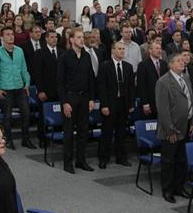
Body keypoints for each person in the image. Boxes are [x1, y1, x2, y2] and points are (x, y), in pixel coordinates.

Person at [155, 52, 193, 204]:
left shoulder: (185, 78)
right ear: (170, 65)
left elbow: (191, 100)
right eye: (178, 61)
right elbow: (163, 109)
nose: (182, 62)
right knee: (169, 161)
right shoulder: (163, 82)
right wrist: (170, 130)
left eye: (183, 60)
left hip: (186, 126)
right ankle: (167, 190)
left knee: (181, 159)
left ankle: (179, 187)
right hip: (171, 130)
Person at [57, 28, 96, 174]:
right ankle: (68, 163)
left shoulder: (86, 56)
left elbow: (91, 78)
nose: (82, 40)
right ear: (71, 39)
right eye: (78, 37)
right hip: (70, 98)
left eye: (82, 37)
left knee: (83, 131)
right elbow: (60, 82)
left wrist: (91, 98)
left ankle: (81, 161)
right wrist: (64, 102)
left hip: (84, 97)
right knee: (68, 132)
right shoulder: (64, 57)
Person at [0, 27, 34, 150]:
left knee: (26, 113)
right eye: (7, 34)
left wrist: (27, 84)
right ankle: (8, 140)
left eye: (12, 34)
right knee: (7, 116)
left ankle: (26, 139)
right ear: (2, 37)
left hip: (20, 87)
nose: (11, 36)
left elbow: (24, 69)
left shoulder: (19, 51)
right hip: (6, 88)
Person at [97, 41, 135, 169]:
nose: (122, 51)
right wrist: (104, 105)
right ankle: (103, 158)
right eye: (119, 49)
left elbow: (131, 87)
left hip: (123, 103)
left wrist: (131, 103)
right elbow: (102, 87)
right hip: (110, 103)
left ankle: (121, 157)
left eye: (123, 49)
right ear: (113, 50)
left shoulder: (128, 67)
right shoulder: (105, 66)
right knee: (107, 132)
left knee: (121, 132)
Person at [136, 41, 168, 119]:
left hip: (164, 103)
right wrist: (145, 103)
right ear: (150, 50)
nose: (159, 50)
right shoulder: (143, 65)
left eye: (160, 48)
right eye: (157, 48)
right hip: (150, 103)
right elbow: (141, 85)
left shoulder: (164, 64)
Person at [33, 30, 63, 104]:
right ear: (46, 39)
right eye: (52, 37)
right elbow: (37, 73)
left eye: (56, 37)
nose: (55, 39)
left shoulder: (62, 52)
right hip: (46, 92)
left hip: (61, 92)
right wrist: (40, 91)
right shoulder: (39, 53)